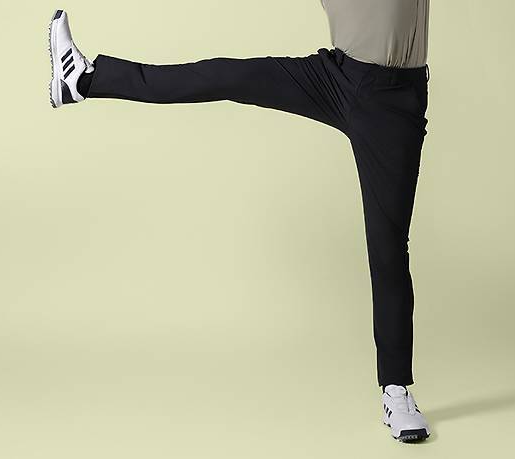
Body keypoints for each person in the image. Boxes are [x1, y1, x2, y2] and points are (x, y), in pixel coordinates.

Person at [48, 0, 432, 443]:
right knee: (228, 76)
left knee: (388, 247)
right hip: (337, 75)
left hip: (394, 99)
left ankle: (396, 390)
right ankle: (84, 79)